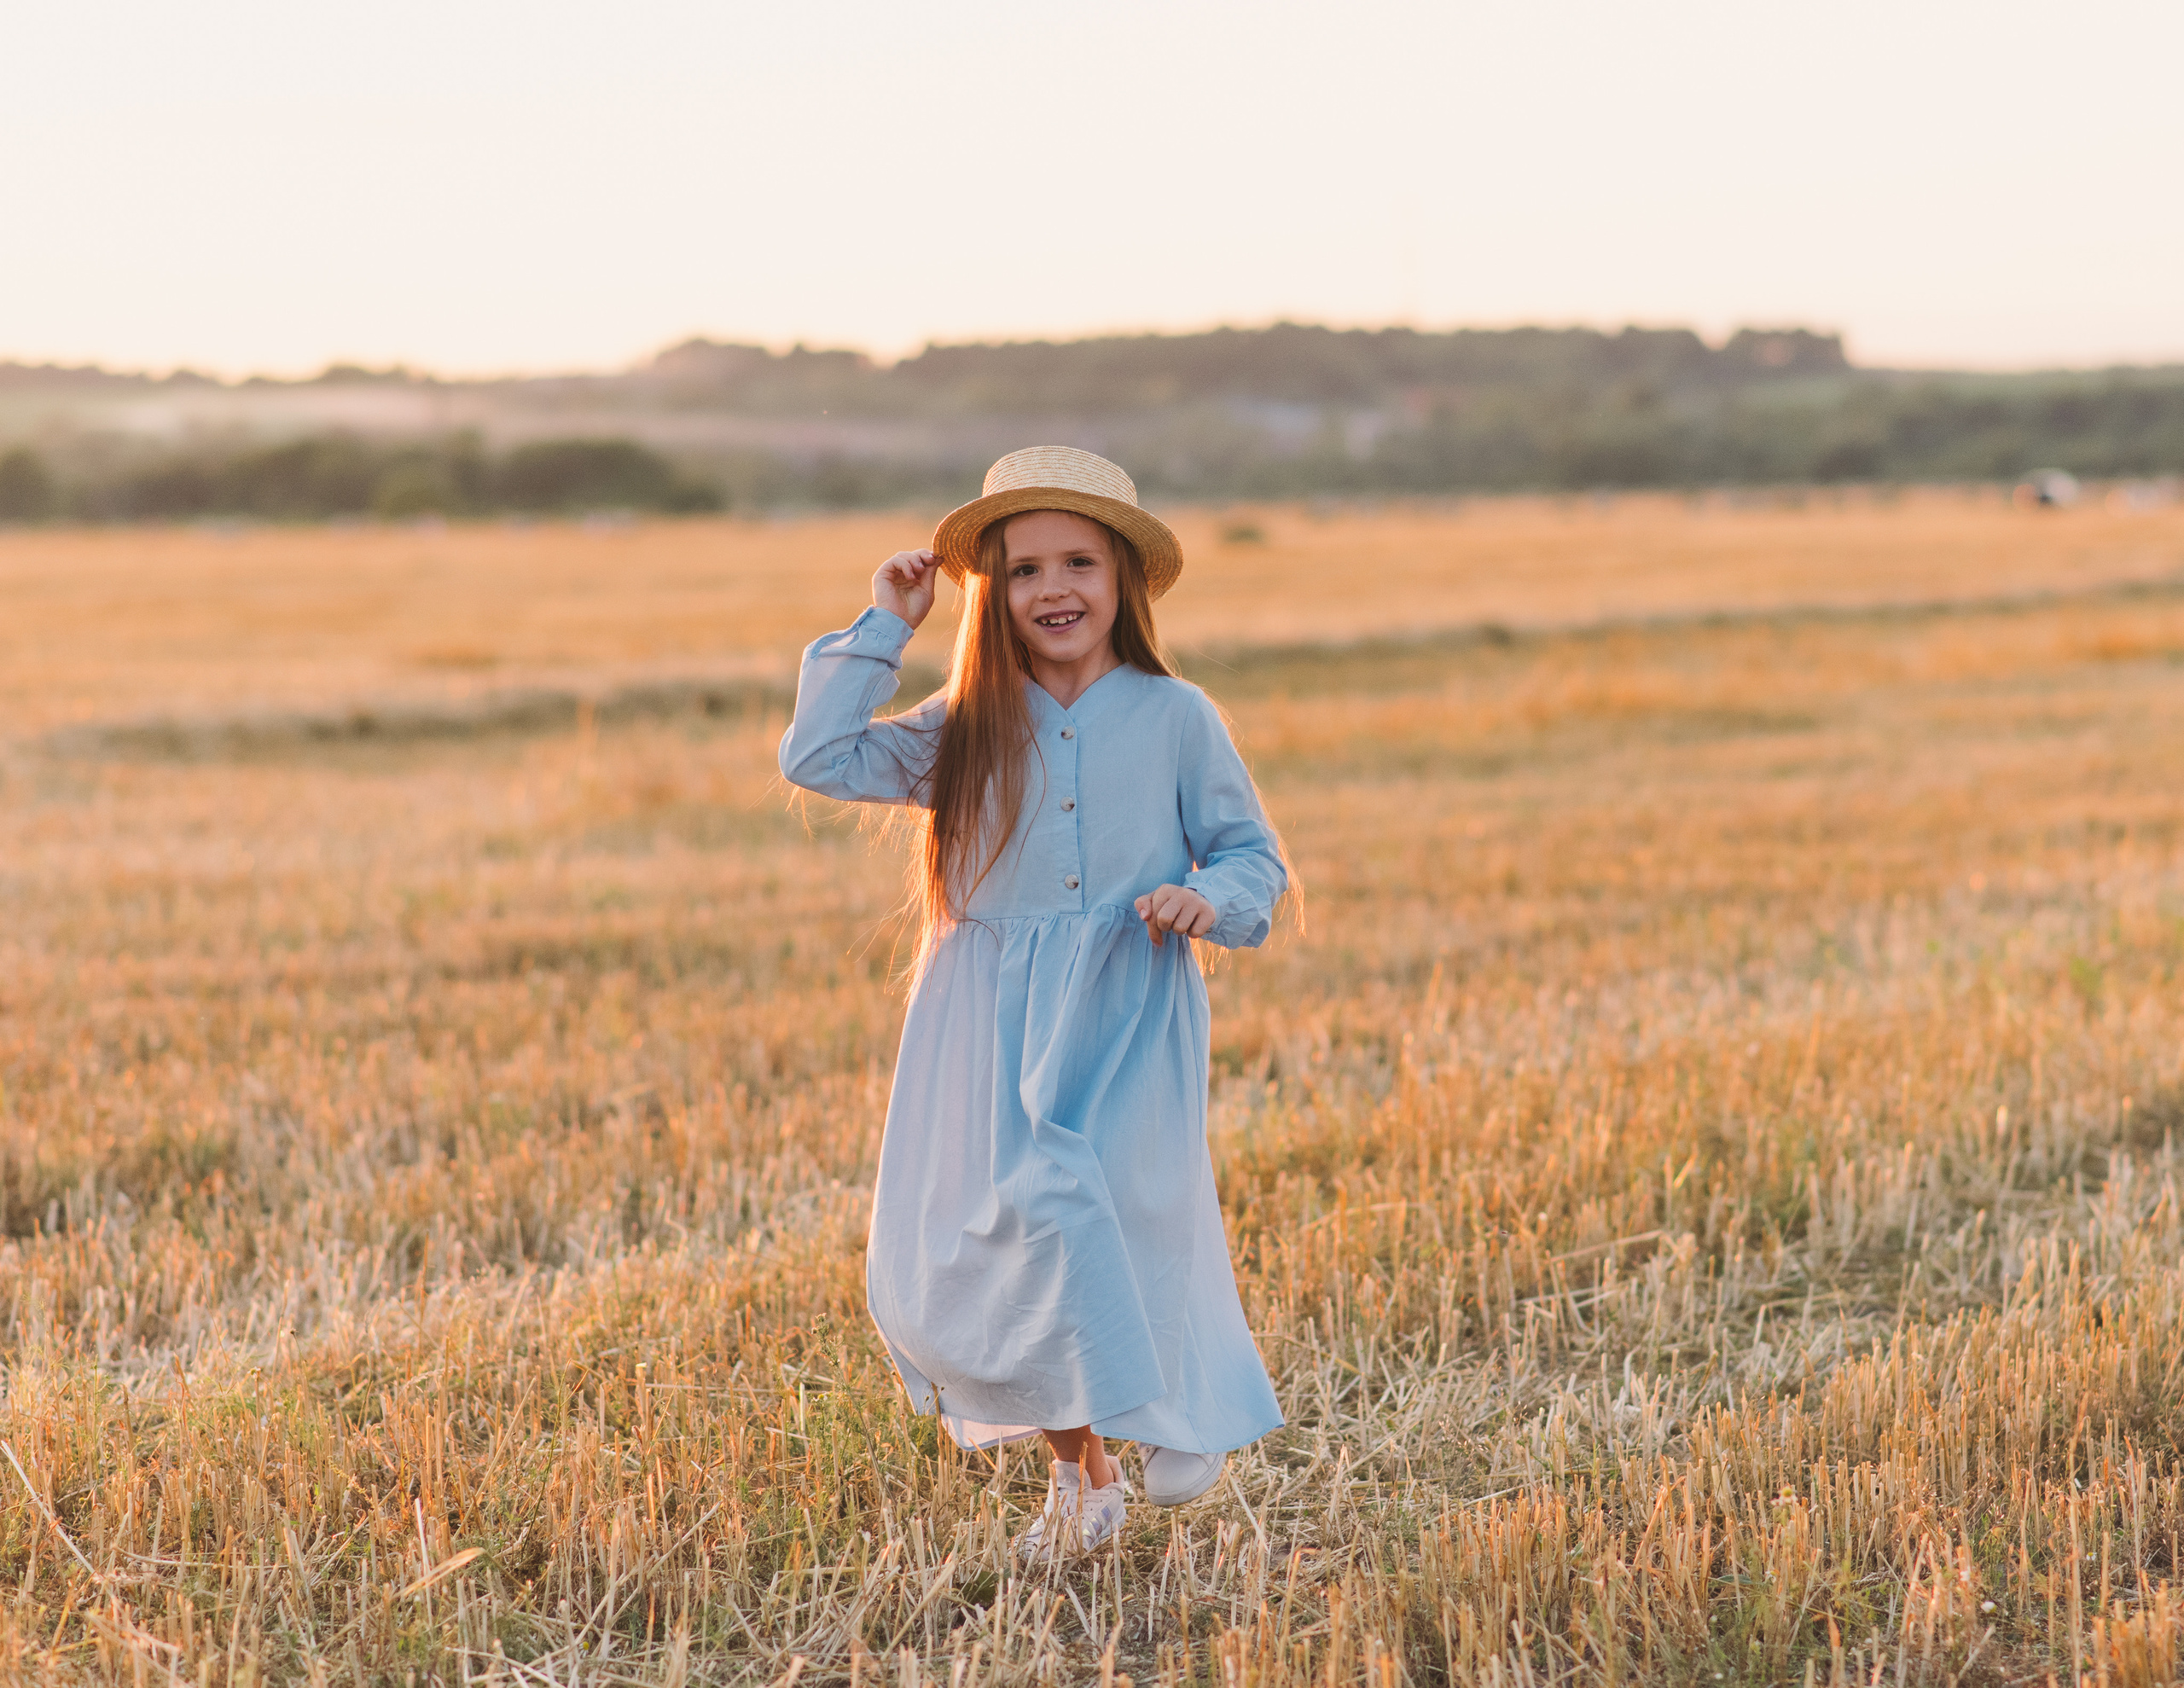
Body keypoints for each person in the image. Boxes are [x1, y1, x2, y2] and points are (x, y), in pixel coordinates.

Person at [778, 446, 1287, 1557]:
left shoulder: (1175, 714)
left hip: (1123, 1002)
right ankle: (1084, 1473)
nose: (1054, 589)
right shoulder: (962, 723)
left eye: (1079, 563)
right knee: (999, 1250)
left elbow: (1251, 853)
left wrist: (1207, 898)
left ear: (1125, 583)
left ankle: (1172, 1408)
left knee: (1109, 1215)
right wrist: (886, 626)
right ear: (989, 597)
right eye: (1021, 570)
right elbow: (817, 756)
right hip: (984, 1019)